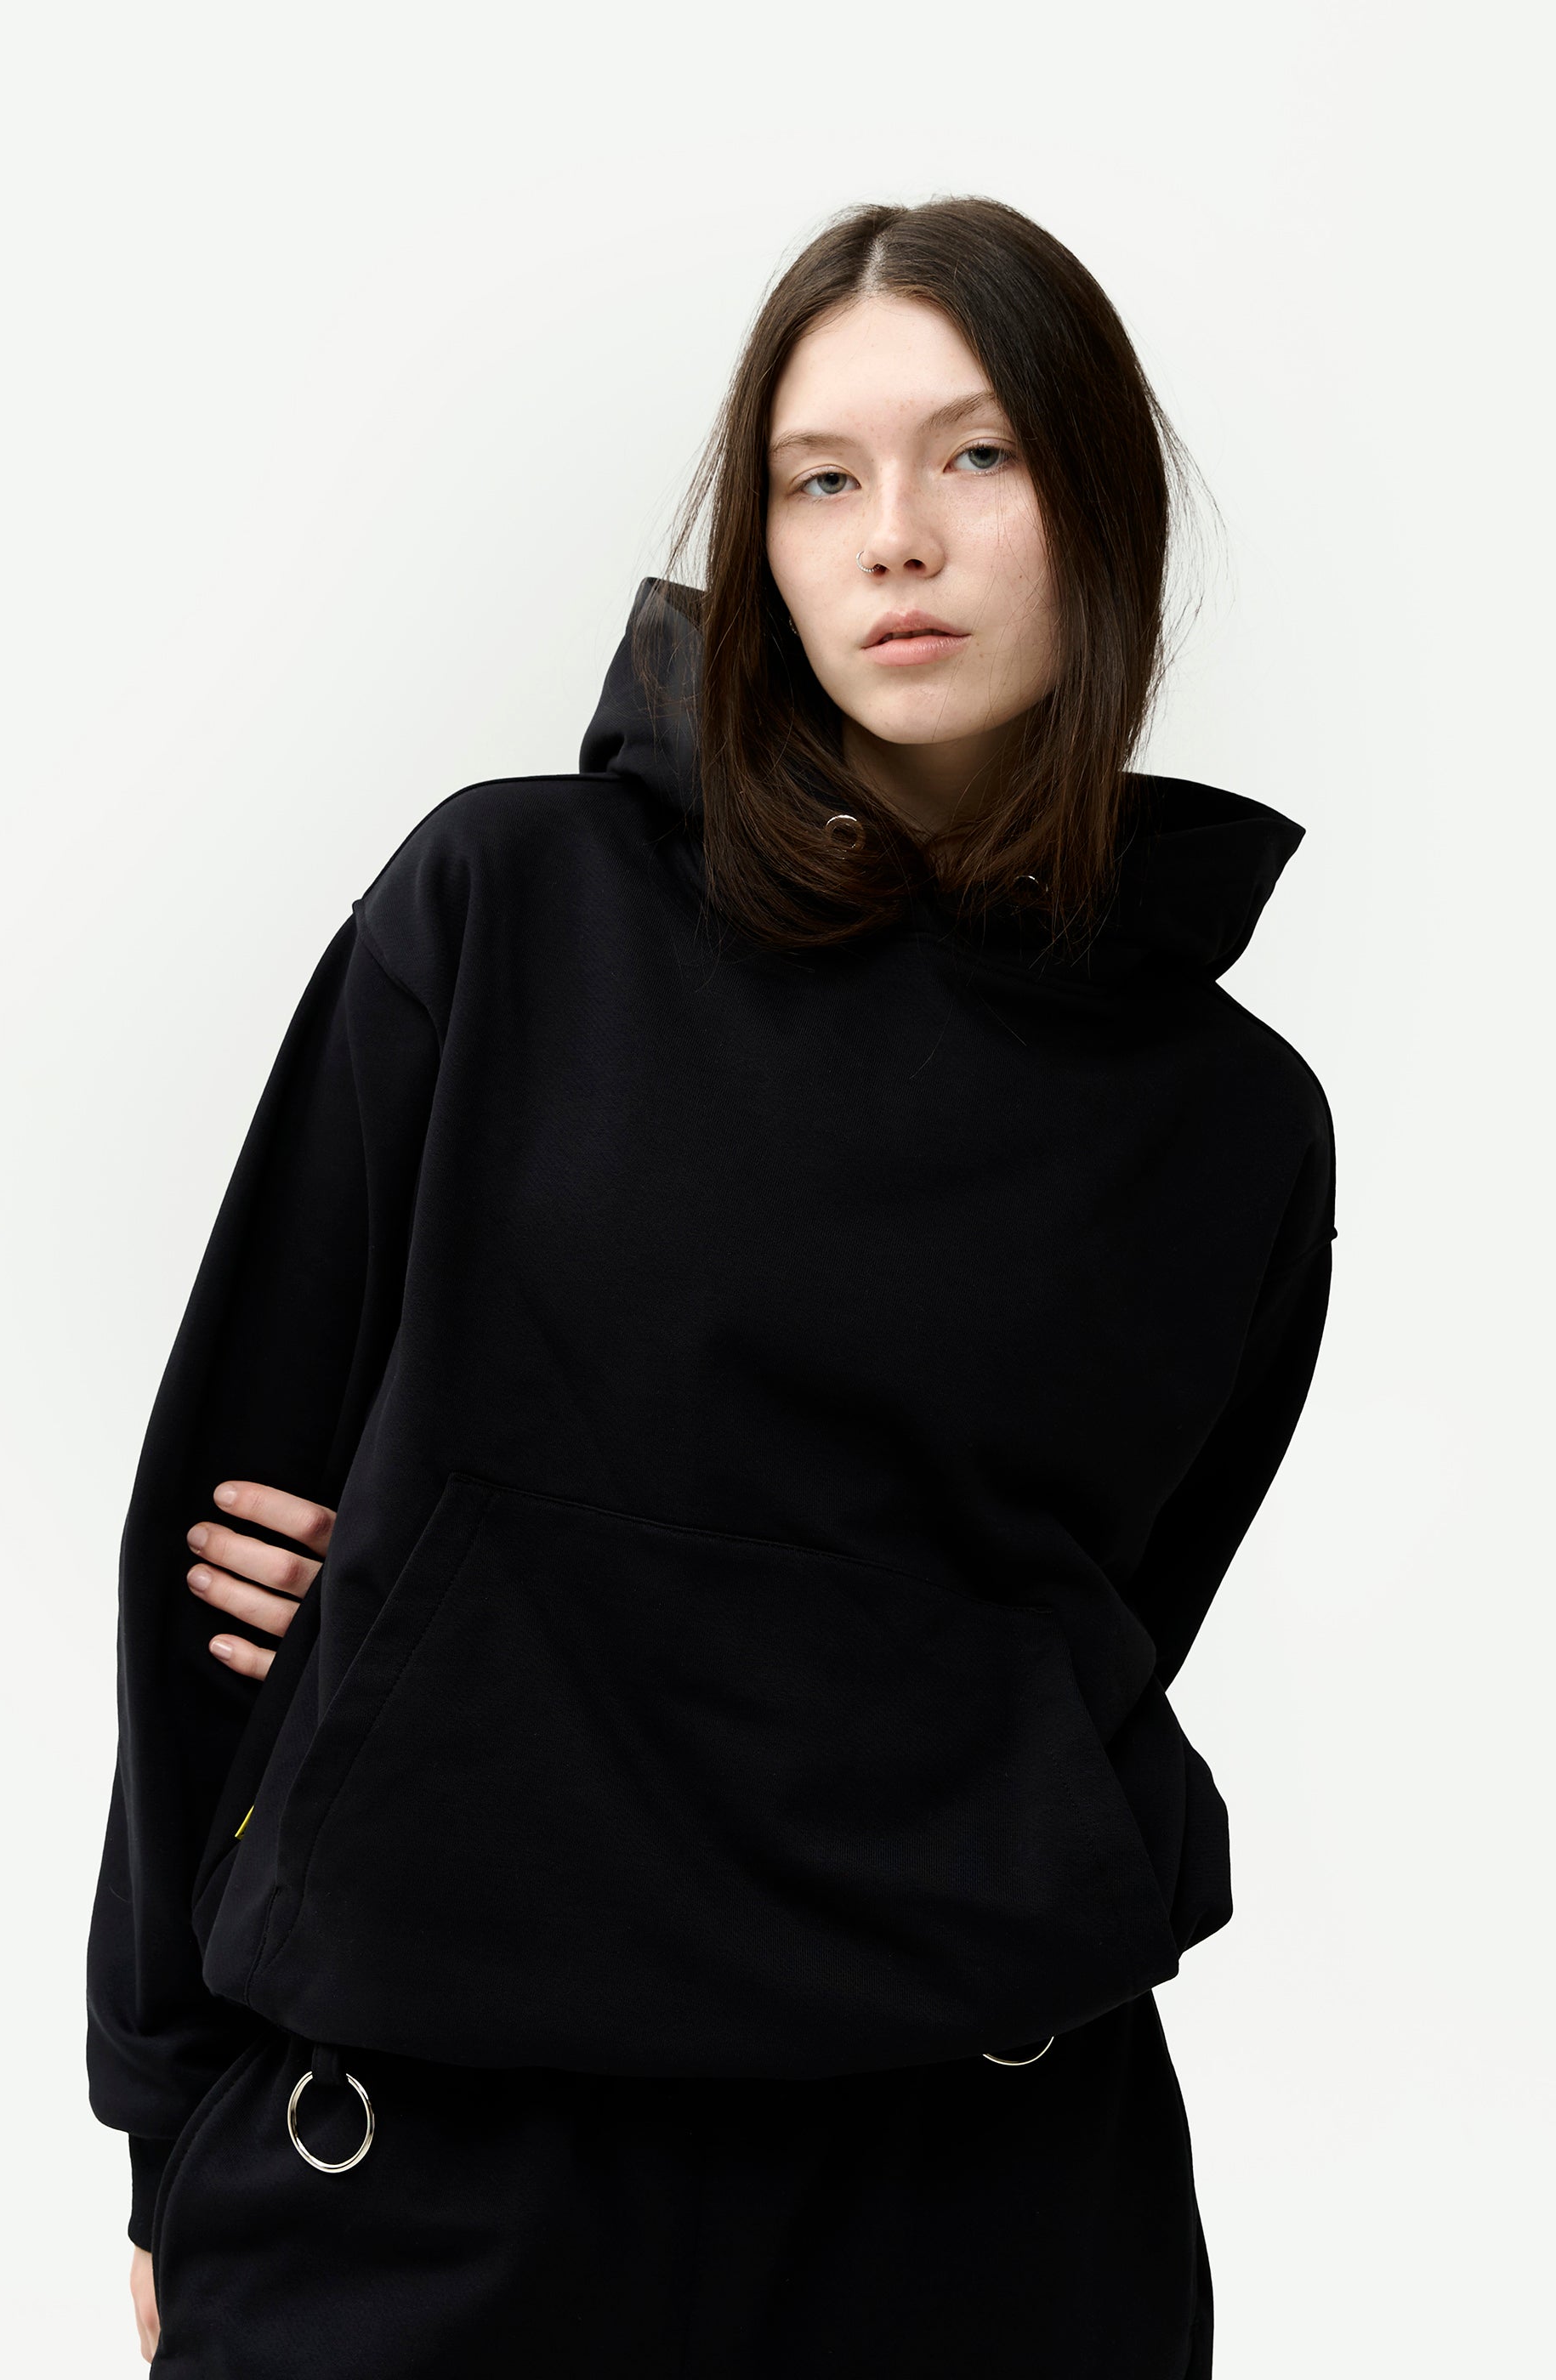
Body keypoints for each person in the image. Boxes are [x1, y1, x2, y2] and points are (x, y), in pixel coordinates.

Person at [88, 197, 1335, 2377]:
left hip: (983, 2190)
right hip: (430, 2162)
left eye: (975, 456)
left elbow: (1096, 1641)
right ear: (757, 542)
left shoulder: (1231, 1121)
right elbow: (216, 1530)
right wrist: (166, 2110)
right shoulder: (506, 906)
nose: (896, 537)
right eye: (819, 479)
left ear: (1102, 510)